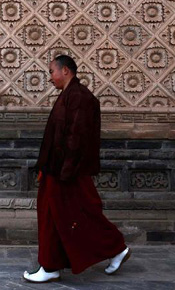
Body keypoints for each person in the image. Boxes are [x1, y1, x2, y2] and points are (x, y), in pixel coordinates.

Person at [23, 54, 130, 283]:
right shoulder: (69, 96)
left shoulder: (80, 97)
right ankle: (54, 263)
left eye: (51, 71)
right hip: (58, 168)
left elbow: (76, 138)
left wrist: (65, 172)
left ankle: (111, 248)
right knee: (61, 215)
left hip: (66, 170)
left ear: (65, 71)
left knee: (72, 214)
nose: (50, 77)